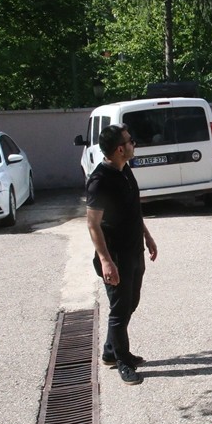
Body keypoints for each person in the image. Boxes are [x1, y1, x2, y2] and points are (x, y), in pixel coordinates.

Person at [85, 124, 158, 386]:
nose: (133, 144)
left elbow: (132, 210)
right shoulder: (99, 181)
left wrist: (147, 236)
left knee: (130, 303)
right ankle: (122, 361)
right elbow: (93, 225)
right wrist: (106, 260)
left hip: (134, 250)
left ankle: (109, 351)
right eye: (130, 141)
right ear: (119, 149)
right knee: (119, 310)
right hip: (115, 256)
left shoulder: (125, 170)